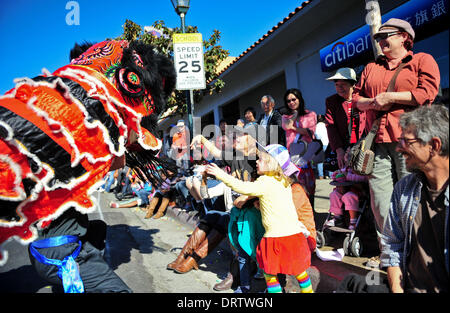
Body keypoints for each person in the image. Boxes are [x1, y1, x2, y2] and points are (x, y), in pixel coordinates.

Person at [353, 18, 441, 268]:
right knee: (380, 201)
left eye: (386, 36)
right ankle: (389, 254)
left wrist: (389, 96)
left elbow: (427, 94)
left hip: (411, 141)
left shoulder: (422, 60)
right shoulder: (370, 67)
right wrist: (372, 103)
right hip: (376, 141)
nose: (381, 41)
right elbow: (356, 99)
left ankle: (417, 252)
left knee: (412, 197)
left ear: (404, 36)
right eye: (378, 38)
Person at [205, 147, 314, 293]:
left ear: (272, 163)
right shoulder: (283, 180)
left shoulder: (265, 181)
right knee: (300, 272)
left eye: (261, 159)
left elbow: (241, 187)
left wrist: (220, 174)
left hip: (275, 239)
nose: (257, 161)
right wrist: (261, 207)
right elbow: (278, 206)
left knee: (270, 273)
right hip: (294, 237)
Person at [381, 105, 449, 293]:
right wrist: (397, 289)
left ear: (434, 146)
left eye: (406, 141)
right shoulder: (405, 188)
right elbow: (393, 245)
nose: (398, 148)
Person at [282, 88, 317, 208]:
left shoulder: (310, 114)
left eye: (293, 99)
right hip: (292, 155)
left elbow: (310, 132)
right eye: (288, 101)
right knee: (296, 185)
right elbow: (286, 126)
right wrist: (295, 114)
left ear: (299, 99)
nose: (291, 102)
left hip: (306, 154)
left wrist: (295, 128)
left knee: (309, 185)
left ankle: (311, 212)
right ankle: (300, 212)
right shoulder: (286, 116)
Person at [325, 67, 364, 169]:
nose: (339, 88)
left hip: (364, 145)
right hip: (343, 147)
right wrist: (339, 150)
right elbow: (330, 126)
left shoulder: (363, 98)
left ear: (353, 84)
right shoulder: (332, 102)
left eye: (343, 84)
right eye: (337, 85)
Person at [325, 151, 368, 230]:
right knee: (334, 194)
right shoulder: (346, 168)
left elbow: (363, 178)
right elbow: (339, 175)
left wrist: (347, 176)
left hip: (356, 191)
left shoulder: (360, 169)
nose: (347, 158)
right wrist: (336, 175)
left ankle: (353, 221)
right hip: (342, 190)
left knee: (348, 196)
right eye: (346, 155)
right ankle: (337, 217)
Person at [314, 114, 329, 179]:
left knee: (320, 161)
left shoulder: (315, 127)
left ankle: (321, 175)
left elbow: (315, 136)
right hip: (327, 143)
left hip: (319, 144)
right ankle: (330, 175)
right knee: (328, 159)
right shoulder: (326, 126)